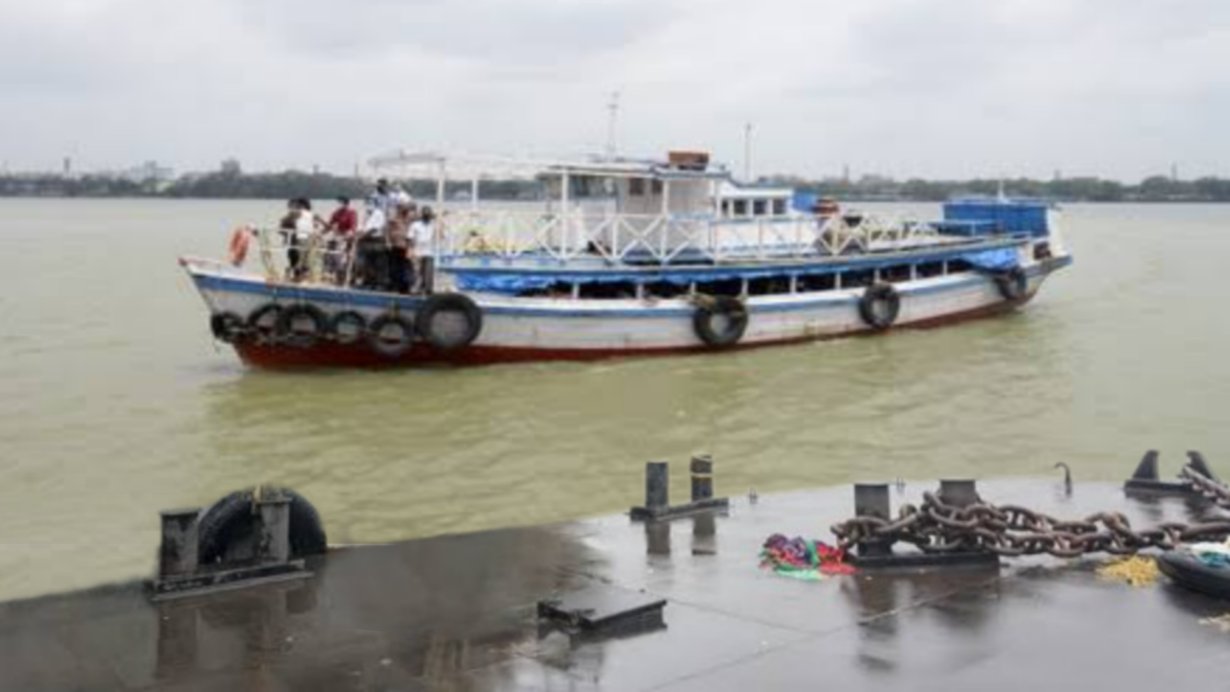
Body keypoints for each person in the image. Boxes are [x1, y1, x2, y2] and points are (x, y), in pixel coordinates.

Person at [357, 179, 395, 288]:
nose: (369, 204)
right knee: (367, 263)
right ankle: (368, 281)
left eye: (371, 202)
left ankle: (380, 283)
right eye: (368, 202)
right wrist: (359, 234)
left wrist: (362, 236)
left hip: (377, 239)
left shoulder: (379, 213)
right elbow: (362, 226)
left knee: (379, 263)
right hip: (366, 241)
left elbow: (375, 228)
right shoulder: (365, 213)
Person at [325, 197, 358, 283]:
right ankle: (333, 275)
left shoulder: (351, 213)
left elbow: (353, 227)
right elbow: (329, 225)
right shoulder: (337, 213)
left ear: (346, 203)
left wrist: (348, 235)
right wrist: (320, 233)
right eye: (338, 203)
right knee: (331, 254)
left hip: (346, 237)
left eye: (341, 203)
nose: (339, 205)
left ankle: (344, 278)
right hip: (337, 236)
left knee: (343, 258)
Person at [384, 202, 415, 294]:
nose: (405, 211)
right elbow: (386, 231)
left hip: (406, 246)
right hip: (395, 246)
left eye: (406, 209)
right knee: (394, 267)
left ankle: (405, 287)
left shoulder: (410, 219)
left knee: (406, 267)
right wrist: (388, 242)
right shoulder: (393, 219)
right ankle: (394, 286)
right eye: (403, 209)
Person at [409, 206, 437, 294]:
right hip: (418, 251)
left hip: (429, 251)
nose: (427, 216)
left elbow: (440, 236)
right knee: (417, 272)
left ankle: (428, 289)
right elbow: (410, 238)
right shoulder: (415, 225)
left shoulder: (434, 225)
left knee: (428, 272)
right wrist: (411, 250)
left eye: (428, 215)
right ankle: (416, 288)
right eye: (425, 214)